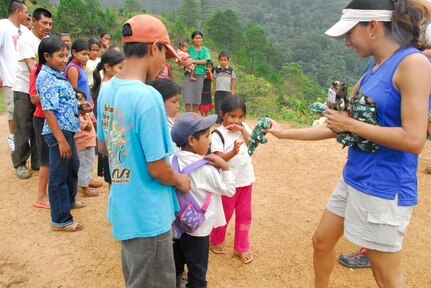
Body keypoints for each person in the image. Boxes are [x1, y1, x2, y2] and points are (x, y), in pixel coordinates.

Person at [264, 0, 431, 286]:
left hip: (384, 187)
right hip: (355, 176)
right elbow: (338, 126)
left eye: (349, 34)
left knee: (384, 272)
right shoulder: (373, 69)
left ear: (373, 27)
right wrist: (284, 133)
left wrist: (351, 124)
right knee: (321, 241)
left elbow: (414, 140)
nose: (346, 43)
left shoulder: (413, 64)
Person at [96, 14, 190, 287]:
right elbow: (158, 167)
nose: (163, 64)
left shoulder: (108, 89)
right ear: (154, 48)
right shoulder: (147, 96)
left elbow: (104, 146)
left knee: (137, 277)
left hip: (124, 206)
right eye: (164, 54)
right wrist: (181, 180)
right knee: (154, 281)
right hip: (148, 212)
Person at [170, 112, 236, 288]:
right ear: (192, 140)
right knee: (197, 269)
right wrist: (225, 166)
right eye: (207, 135)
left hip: (175, 226)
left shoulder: (170, 161)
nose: (210, 139)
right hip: (198, 231)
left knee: (175, 265)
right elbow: (229, 190)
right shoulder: (206, 170)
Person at [37, 36, 84, 232]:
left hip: (68, 129)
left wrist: (81, 107)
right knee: (58, 176)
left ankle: (70, 199)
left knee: (73, 166)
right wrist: (60, 140)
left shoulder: (58, 73)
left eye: (66, 55)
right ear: (46, 56)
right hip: (59, 133)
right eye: (60, 56)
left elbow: (64, 102)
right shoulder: (46, 77)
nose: (65, 60)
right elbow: (48, 111)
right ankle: (60, 219)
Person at [210, 95, 255, 264]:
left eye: (240, 117)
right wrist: (233, 153)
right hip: (227, 183)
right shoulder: (218, 134)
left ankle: (241, 247)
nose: (236, 120)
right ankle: (216, 239)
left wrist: (243, 129)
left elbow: (252, 144)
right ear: (222, 114)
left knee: (245, 215)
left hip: (246, 179)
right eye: (232, 116)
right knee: (225, 213)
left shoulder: (243, 128)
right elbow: (218, 158)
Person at [12, 7, 52, 179]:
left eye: (50, 23)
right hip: (24, 89)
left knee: (40, 126)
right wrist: (41, 89)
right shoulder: (26, 40)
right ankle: (20, 163)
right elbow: (31, 68)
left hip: (42, 90)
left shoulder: (48, 40)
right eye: (44, 23)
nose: (47, 27)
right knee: (24, 126)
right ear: (34, 21)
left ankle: (38, 161)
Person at [91, 49, 125, 189]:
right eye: (120, 68)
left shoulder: (107, 86)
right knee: (116, 179)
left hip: (110, 137)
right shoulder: (108, 88)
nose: (123, 72)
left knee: (115, 178)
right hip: (113, 138)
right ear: (107, 67)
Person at [0, 0, 29, 153]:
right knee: (12, 110)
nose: (27, 15)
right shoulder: (2, 26)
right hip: (9, 77)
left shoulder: (24, 30)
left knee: (24, 112)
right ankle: (12, 137)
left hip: (24, 78)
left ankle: (24, 138)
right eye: (26, 12)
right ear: (18, 11)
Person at [29, 63, 50, 209]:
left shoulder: (58, 70)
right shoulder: (37, 72)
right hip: (42, 118)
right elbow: (33, 99)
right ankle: (41, 196)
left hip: (56, 118)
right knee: (46, 159)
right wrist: (51, 92)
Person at [74, 89, 99, 197]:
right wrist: (85, 115)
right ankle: (85, 187)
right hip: (83, 144)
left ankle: (87, 180)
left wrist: (88, 113)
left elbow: (94, 122)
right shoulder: (77, 116)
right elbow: (88, 127)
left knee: (88, 163)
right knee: (84, 164)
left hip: (88, 142)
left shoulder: (84, 114)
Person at [182, 31, 211, 113]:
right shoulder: (189, 49)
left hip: (200, 75)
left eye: (200, 38)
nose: (198, 40)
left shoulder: (205, 50)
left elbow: (206, 61)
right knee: (187, 96)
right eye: (196, 38)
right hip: (189, 74)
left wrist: (193, 61)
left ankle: (194, 117)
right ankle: (188, 116)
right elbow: (183, 57)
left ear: (202, 39)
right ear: (192, 39)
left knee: (197, 97)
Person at [213, 50, 236, 124]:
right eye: (221, 60)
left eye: (225, 60)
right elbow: (214, 79)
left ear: (228, 60)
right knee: (218, 106)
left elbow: (233, 79)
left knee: (226, 106)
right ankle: (218, 121)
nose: (223, 61)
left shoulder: (230, 70)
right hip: (218, 91)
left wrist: (232, 89)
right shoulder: (216, 69)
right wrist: (213, 88)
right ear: (219, 60)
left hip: (227, 91)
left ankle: (226, 120)